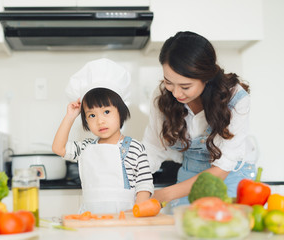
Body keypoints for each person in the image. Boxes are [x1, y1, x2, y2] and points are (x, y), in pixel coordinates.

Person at [142, 31, 257, 207]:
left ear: (206, 78)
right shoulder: (163, 95)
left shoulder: (235, 98)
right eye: (168, 82)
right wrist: (138, 185)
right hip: (189, 173)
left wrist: (164, 194)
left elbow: (222, 168)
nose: (176, 93)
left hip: (230, 175)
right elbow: (152, 147)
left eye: (185, 86)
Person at [52, 58, 154, 214]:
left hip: (126, 220)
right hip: (91, 220)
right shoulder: (85, 148)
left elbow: (144, 185)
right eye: (91, 115)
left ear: (121, 111)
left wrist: (136, 215)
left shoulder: (135, 148)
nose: (100, 121)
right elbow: (59, 148)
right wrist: (70, 116)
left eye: (106, 112)